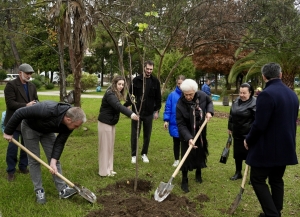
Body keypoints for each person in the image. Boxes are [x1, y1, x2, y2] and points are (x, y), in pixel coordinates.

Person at [3, 101, 87, 204]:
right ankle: (39, 190)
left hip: (47, 131)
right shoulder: (46, 109)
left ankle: (62, 190)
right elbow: (19, 112)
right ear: (68, 119)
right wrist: (8, 131)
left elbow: (60, 142)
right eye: (76, 126)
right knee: (34, 160)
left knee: (55, 161)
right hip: (30, 128)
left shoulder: (70, 123)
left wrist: (53, 161)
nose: (77, 128)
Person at [244, 63, 298, 217]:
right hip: (286, 145)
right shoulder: (292, 94)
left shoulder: (266, 95)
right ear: (280, 75)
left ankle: (272, 214)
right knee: (276, 179)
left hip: (268, 148)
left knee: (257, 179)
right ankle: (276, 212)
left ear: (263, 76)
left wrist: (248, 139)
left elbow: (260, 125)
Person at [176, 79, 213, 193]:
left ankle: (198, 172)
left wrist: (209, 112)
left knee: (199, 151)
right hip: (187, 132)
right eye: (186, 94)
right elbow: (180, 124)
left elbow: (209, 102)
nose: (188, 97)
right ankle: (184, 180)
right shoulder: (180, 104)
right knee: (186, 155)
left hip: (200, 130)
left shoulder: (202, 95)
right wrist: (189, 138)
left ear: (195, 92)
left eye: (190, 94)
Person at [4, 63, 39, 182]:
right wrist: (26, 105)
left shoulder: (32, 86)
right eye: (27, 73)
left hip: (28, 122)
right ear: (20, 73)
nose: (29, 75)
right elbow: (10, 104)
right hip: (13, 122)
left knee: (26, 147)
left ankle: (23, 167)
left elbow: (36, 100)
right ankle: (10, 170)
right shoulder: (11, 85)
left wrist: (37, 105)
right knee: (13, 148)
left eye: (30, 74)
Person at [98, 76, 139, 177]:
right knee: (105, 148)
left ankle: (110, 169)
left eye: (122, 84)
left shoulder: (115, 94)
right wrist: (131, 114)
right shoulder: (110, 94)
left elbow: (119, 106)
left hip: (111, 123)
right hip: (105, 123)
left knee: (110, 147)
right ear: (114, 84)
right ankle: (103, 172)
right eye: (119, 84)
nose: (121, 86)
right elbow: (117, 106)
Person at [124, 60, 162, 164]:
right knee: (135, 134)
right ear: (144, 68)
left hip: (149, 112)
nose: (149, 71)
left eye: (151, 69)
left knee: (147, 135)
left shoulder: (155, 82)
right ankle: (133, 155)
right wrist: (129, 104)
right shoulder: (136, 80)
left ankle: (144, 154)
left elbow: (158, 97)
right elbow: (131, 94)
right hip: (137, 112)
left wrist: (157, 110)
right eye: (147, 69)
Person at [228, 83, 256, 181]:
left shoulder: (254, 103)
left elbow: (257, 120)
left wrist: (252, 133)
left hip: (249, 134)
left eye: (244, 93)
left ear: (250, 92)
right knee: (238, 154)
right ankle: (238, 172)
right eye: (240, 92)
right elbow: (231, 115)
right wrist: (230, 127)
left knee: (251, 155)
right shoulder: (236, 101)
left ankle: (253, 176)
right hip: (237, 132)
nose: (242, 95)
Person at [163, 75, 186, 167]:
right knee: (176, 142)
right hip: (174, 122)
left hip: (184, 123)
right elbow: (168, 108)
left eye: (182, 84)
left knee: (185, 142)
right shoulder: (172, 95)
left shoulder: (188, 94)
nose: (180, 86)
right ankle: (176, 159)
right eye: (178, 83)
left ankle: (184, 159)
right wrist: (166, 120)